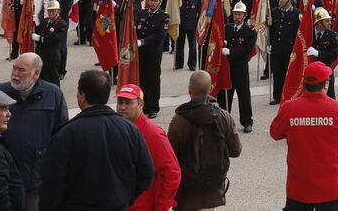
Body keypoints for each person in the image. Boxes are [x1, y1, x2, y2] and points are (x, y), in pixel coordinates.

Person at [41, 69, 155, 210]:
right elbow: (146, 173)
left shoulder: (67, 133)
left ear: (82, 96)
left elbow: (52, 181)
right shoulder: (130, 130)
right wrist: (125, 199)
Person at [270, 61, 338, 211]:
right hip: (329, 189)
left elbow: (275, 133)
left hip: (298, 188)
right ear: (326, 85)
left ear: (304, 83)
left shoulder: (289, 108)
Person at [0, 53, 68, 211]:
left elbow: (61, 135)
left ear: (36, 73)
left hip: (36, 179)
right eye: (14, 68)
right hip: (4, 175)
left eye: (21, 70)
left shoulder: (53, 94)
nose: (15, 74)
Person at [168, 70, 243, 211]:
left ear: (189, 90)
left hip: (187, 191)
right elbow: (236, 150)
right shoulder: (224, 117)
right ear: (211, 89)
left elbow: (170, 157)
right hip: (212, 189)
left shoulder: (179, 121)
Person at [115, 83, 182, 211]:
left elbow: (172, 173)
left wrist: (162, 205)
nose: (122, 107)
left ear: (141, 104)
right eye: (120, 102)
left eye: (128, 103)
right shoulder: (116, 129)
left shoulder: (154, 134)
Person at [221, 1, 257, 132]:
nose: (237, 17)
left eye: (240, 14)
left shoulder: (250, 31)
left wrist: (230, 51)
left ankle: (247, 121)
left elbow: (246, 50)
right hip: (228, 67)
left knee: (244, 95)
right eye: (235, 14)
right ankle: (224, 120)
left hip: (240, 67)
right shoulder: (227, 28)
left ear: (244, 16)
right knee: (225, 94)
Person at [136, 0, 170, 119]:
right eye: (151, 0)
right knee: (142, 78)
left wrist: (143, 41)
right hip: (141, 52)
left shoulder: (164, 17)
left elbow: (160, 35)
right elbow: (136, 27)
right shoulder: (142, 13)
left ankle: (153, 107)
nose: (153, 3)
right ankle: (143, 105)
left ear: (160, 2)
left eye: (156, 0)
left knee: (153, 80)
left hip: (153, 53)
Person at [270, 0, 301, 104]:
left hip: (289, 49)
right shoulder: (274, 12)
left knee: (289, 74)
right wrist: (269, 44)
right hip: (276, 48)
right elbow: (271, 30)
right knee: (277, 74)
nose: (280, 1)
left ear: (290, 0)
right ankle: (277, 96)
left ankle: (289, 95)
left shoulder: (296, 14)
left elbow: (298, 34)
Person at [33, 0, 68, 86]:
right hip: (41, 55)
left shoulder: (62, 24)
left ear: (58, 11)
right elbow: (38, 30)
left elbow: (54, 39)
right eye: (49, 10)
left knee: (53, 81)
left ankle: (56, 97)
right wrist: (33, 21)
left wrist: (40, 39)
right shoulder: (45, 21)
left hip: (52, 57)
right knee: (41, 80)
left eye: (53, 10)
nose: (51, 12)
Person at [308, 7, 338, 98]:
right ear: (319, 23)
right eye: (326, 21)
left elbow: (334, 55)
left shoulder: (332, 36)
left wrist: (318, 53)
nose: (330, 23)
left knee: (329, 96)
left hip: (326, 71)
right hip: (312, 72)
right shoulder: (308, 33)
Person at [175, 0, 202, 71]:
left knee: (192, 46)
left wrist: (198, 23)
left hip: (192, 23)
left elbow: (200, 11)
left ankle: (192, 64)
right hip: (181, 23)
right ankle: (178, 63)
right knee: (179, 45)